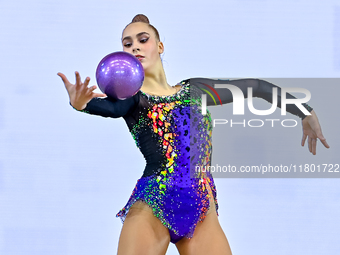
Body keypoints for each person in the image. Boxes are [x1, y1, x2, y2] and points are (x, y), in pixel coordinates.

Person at [57, 14, 330, 255]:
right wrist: (80, 103)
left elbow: (254, 87)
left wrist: (304, 112)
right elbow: (110, 108)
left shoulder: (194, 91)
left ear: (160, 46)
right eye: (127, 44)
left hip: (201, 206)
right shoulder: (132, 99)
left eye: (143, 39)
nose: (135, 47)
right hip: (153, 204)